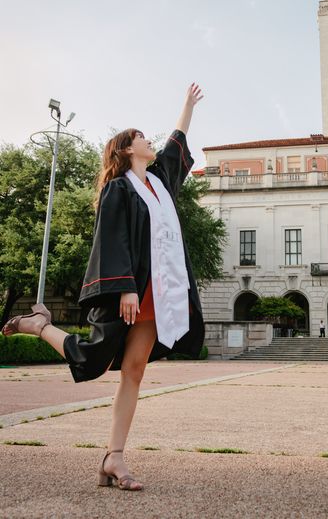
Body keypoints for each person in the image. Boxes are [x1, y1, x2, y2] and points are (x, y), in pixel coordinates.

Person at [1, 83, 205, 491]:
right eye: (141, 136)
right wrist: (126, 286)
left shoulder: (160, 182)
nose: (149, 140)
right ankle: (38, 325)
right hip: (131, 290)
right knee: (94, 358)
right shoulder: (119, 188)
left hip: (160, 293)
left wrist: (186, 105)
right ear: (127, 150)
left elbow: (176, 143)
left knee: (134, 372)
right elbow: (113, 238)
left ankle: (115, 457)